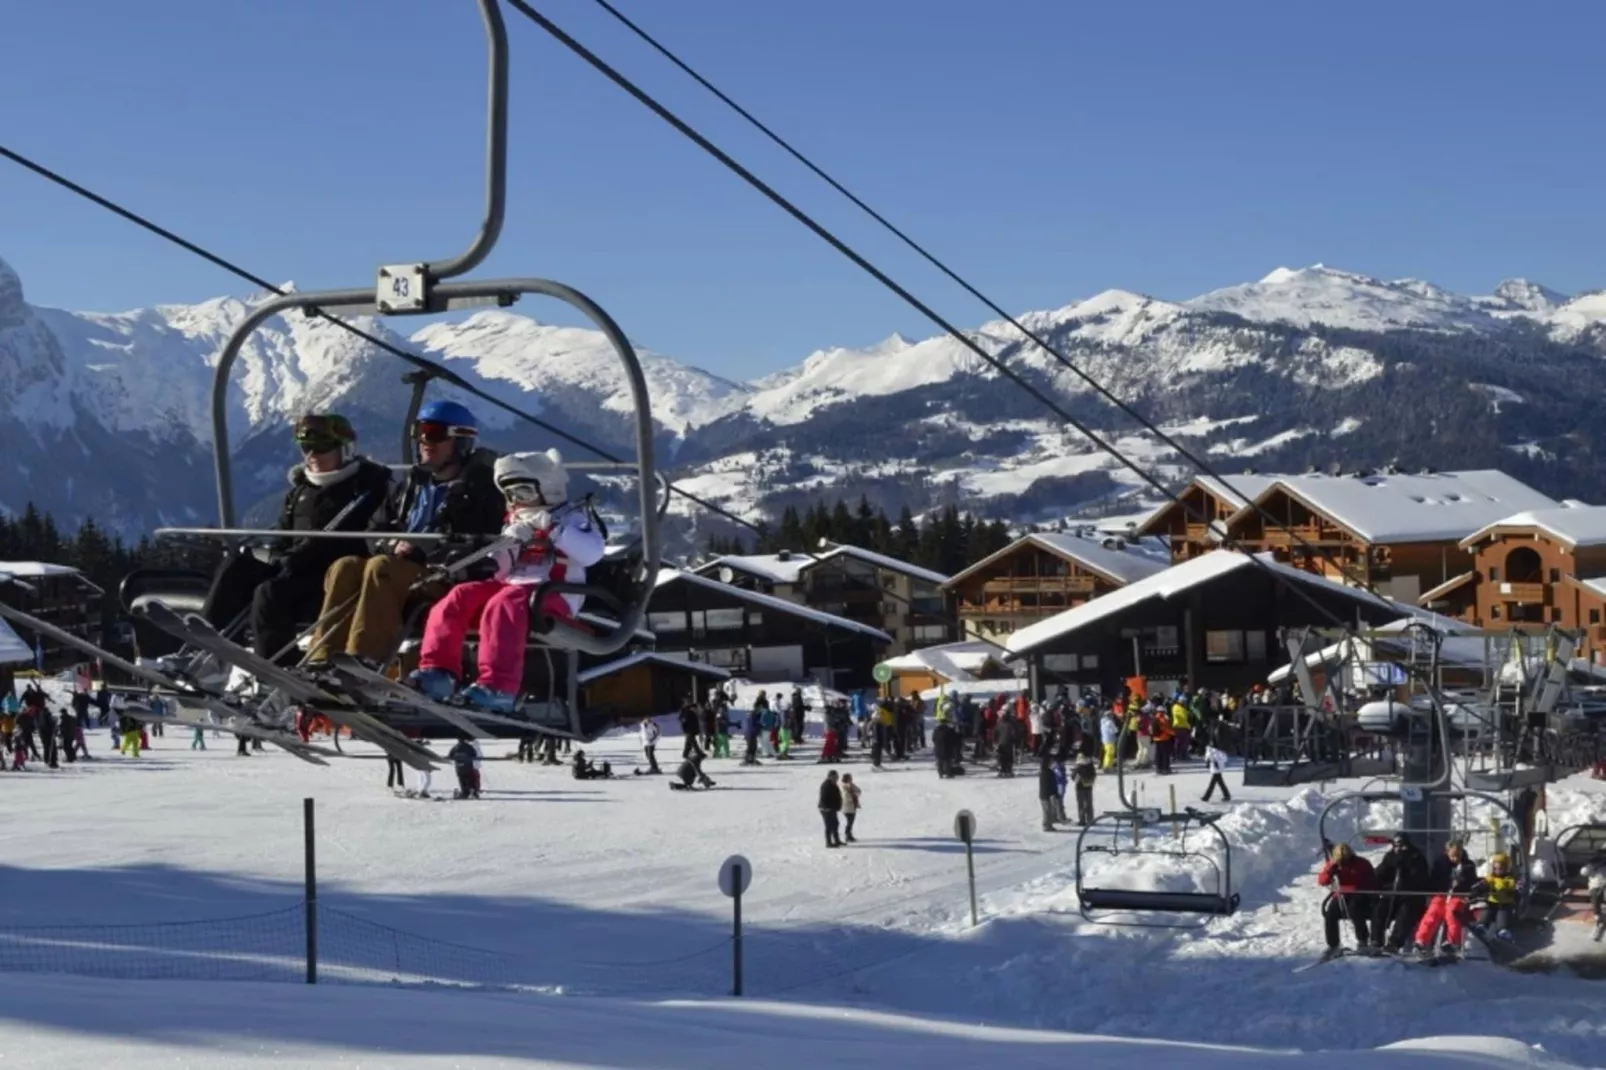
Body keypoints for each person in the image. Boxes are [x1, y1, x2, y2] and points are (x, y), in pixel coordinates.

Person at [308, 400, 503, 668]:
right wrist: (390, 545)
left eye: (434, 433)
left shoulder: (480, 490)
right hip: (401, 567)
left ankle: (364, 661)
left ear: (460, 441)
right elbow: (375, 530)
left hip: (443, 574)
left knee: (381, 567)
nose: (424, 441)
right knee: (346, 566)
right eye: (419, 432)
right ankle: (322, 658)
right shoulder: (412, 486)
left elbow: (480, 541)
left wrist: (422, 551)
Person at [411, 450, 606, 712]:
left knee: (505, 602)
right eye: (511, 495)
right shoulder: (516, 523)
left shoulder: (571, 518)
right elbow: (503, 565)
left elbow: (592, 553)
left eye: (524, 493)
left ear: (547, 488)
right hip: (514, 587)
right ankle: (438, 671)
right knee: (460, 595)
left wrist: (553, 530)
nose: (518, 501)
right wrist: (492, 558)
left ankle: (499, 686)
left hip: (554, 592)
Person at [198, 414, 392, 666]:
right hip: (293, 568)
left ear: (344, 449)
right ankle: (208, 648)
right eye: (306, 447)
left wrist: (296, 557)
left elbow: (344, 536)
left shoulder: (365, 488)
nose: (312, 455)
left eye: (322, 447)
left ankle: (277, 665)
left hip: (330, 579)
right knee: (238, 565)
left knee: (270, 592)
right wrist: (277, 554)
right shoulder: (302, 490)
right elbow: (283, 533)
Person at [1414, 839, 1479, 957]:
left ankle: (1453, 942)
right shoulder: (1440, 863)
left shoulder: (1468, 865)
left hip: (1459, 895)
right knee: (1433, 912)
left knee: (1452, 913)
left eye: (1458, 855)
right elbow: (1434, 879)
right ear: (1447, 852)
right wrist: (1446, 883)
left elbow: (1471, 882)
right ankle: (1421, 940)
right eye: (1453, 855)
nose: (1455, 858)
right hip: (1443, 893)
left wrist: (1461, 883)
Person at [1370, 833, 1432, 952]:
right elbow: (1381, 873)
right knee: (1379, 909)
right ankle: (1376, 940)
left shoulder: (1416, 856)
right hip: (1391, 893)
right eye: (1396, 846)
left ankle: (1394, 943)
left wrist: (1404, 861)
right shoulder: (1390, 856)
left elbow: (1420, 878)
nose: (1398, 849)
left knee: (1405, 913)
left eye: (1401, 846)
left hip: (1410, 895)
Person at [1317, 842, 1375, 952]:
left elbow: (1371, 881)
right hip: (1342, 894)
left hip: (1360, 893)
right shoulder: (1334, 865)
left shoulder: (1361, 863)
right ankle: (1333, 944)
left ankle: (1362, 939)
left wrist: (1357, 888)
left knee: (1355, 909)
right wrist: (1329, 873)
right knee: (1331, 913)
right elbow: (1322, 881)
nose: (1343, 863)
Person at [1473, 852, 1519, 941]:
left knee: (1502, 916)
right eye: (1495, 868)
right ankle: (1481, 925)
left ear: (1506, 868)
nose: (1498, 871)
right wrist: (1479, 889)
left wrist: (1513, 892)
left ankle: (1502, 931)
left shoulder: (1511, 879)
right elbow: (1483, 883)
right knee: (1486, 911)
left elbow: (1518, 887)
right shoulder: (1491, 878)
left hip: (1504, 905)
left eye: (1500, 869)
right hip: (1491, 903)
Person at [1583, 848, 1605, 942]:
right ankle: (1597, 916)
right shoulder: (1592, 864)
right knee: (1595, 894)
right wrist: (1592, 866)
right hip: (1596, 885)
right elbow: (1583, 872)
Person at [819, 769, 844, 848]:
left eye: (837, 777)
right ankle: (828, 842)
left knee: (835, 824)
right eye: (835, 777)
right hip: (826, 809)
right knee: (829, 826)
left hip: (832, 808)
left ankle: (837, 840)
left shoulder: (833, 784)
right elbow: (824, 798)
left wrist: (838, 806)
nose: (837, 778)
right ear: (830, 777)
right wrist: (826, 807)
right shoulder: (826, 785)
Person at [1072, 754, 1097, 826]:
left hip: (1080, 788)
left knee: (1081, 805)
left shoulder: (1078, 766)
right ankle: (1090, 819)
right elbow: (1094, 774)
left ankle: (1082, 820)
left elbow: (1073, 777)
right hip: (1088, 787)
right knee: (1089, 804)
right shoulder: (1090, 765)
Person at [840, 773, 861, 843]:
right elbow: (845, 797)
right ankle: (847, 835)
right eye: (850, 778)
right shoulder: (844, 786)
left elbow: (859, 791)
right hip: (847, 807)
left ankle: (849, 834)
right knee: (850, 822)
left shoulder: (851, 786)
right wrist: (853, 794)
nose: (851, 780)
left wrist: (853, 790)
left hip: (852, 806)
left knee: (851, 822)